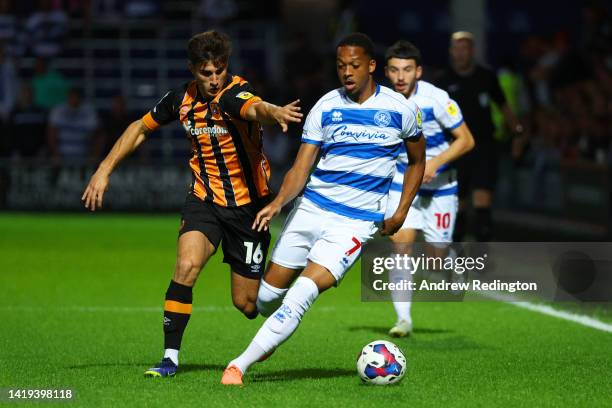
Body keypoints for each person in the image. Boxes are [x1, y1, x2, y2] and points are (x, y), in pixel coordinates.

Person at [81, 30, 303, 378]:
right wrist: (103, 170)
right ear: (192, 70)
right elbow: (140, 128)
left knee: (247, 304)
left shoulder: (233, 95)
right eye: (206, 73)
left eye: (220, 70)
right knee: (186, 267)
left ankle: (291, 276)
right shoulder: (179, 100)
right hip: (204, 201)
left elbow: (255, 107)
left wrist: (274, 111)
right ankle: (170, 358)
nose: (214, 80)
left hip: (249, 210)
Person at [221, 32, 425, 386]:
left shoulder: (401, 110)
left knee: (301, 294)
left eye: (355, 65)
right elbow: (301, 168)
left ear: (372, 66)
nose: (347, 72)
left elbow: (417, 162)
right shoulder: (326, 106)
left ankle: (238, 365)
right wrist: (278, 203)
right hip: (311, 210)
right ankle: (271, 331)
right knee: (264, 300)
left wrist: (402, 210)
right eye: (341, 65)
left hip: (355, 224)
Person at [383, 40, 475, 337]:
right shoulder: (381, 101)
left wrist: (434, 164)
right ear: (386, 72)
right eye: (395, 70)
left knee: (435, 258)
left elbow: (466, 140)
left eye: (407, 70)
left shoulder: (437, 99)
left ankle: (450, 259)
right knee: (401, 247)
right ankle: (403, 319)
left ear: (418, 71)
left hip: (440, 188)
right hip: (402, 182)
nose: (401, 77)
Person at [435, 31, 523, 242]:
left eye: (465, 49)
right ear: (451, 52)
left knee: (483, 202)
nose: (461, 53)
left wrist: (518, 133)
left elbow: (504, 106)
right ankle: (456, 259)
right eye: (457, 49)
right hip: (455, 149)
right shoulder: (443, 81)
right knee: (458, 207)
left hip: (484, 147)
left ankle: (482, 257)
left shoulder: (486, 77)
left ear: (472, 51)